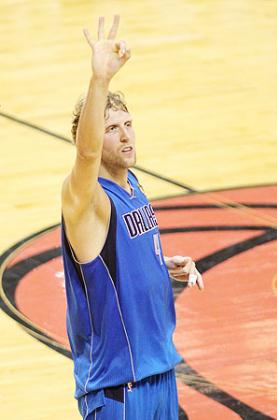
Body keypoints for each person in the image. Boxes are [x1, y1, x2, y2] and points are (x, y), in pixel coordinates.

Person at [60, 14, 204, 420]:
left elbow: (122, 253)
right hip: (119, 388)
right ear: (88, 135)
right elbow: (87, 156)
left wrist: (160, 267)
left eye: (128, 124)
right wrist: (99, 80)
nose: (125, 135)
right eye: (111, 128)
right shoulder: (85, 200)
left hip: (159, 371)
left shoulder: (133, 186)